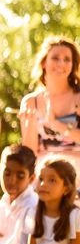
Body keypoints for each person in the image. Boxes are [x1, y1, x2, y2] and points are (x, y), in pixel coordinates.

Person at [20, 36, 80, 184]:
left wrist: (56, 124)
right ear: (44, 62)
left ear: (73, 65)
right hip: (44, 177)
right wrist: (30, 124)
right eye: (55, 58)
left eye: (67, 59)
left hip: (76, 176)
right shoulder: (30, 101)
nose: (61, 63)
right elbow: (30, 153)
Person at [19, 159, 80, 244]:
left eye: (52, 180)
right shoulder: (33, 213)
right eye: (41, 179)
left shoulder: (75, 216)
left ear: (66, 188)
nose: (43, 184)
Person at [0, 144, 38, 244]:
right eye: (7, 173)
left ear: (31, 178)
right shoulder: (1, 204)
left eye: (20, 176)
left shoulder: (33, 206)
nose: (12, 180)